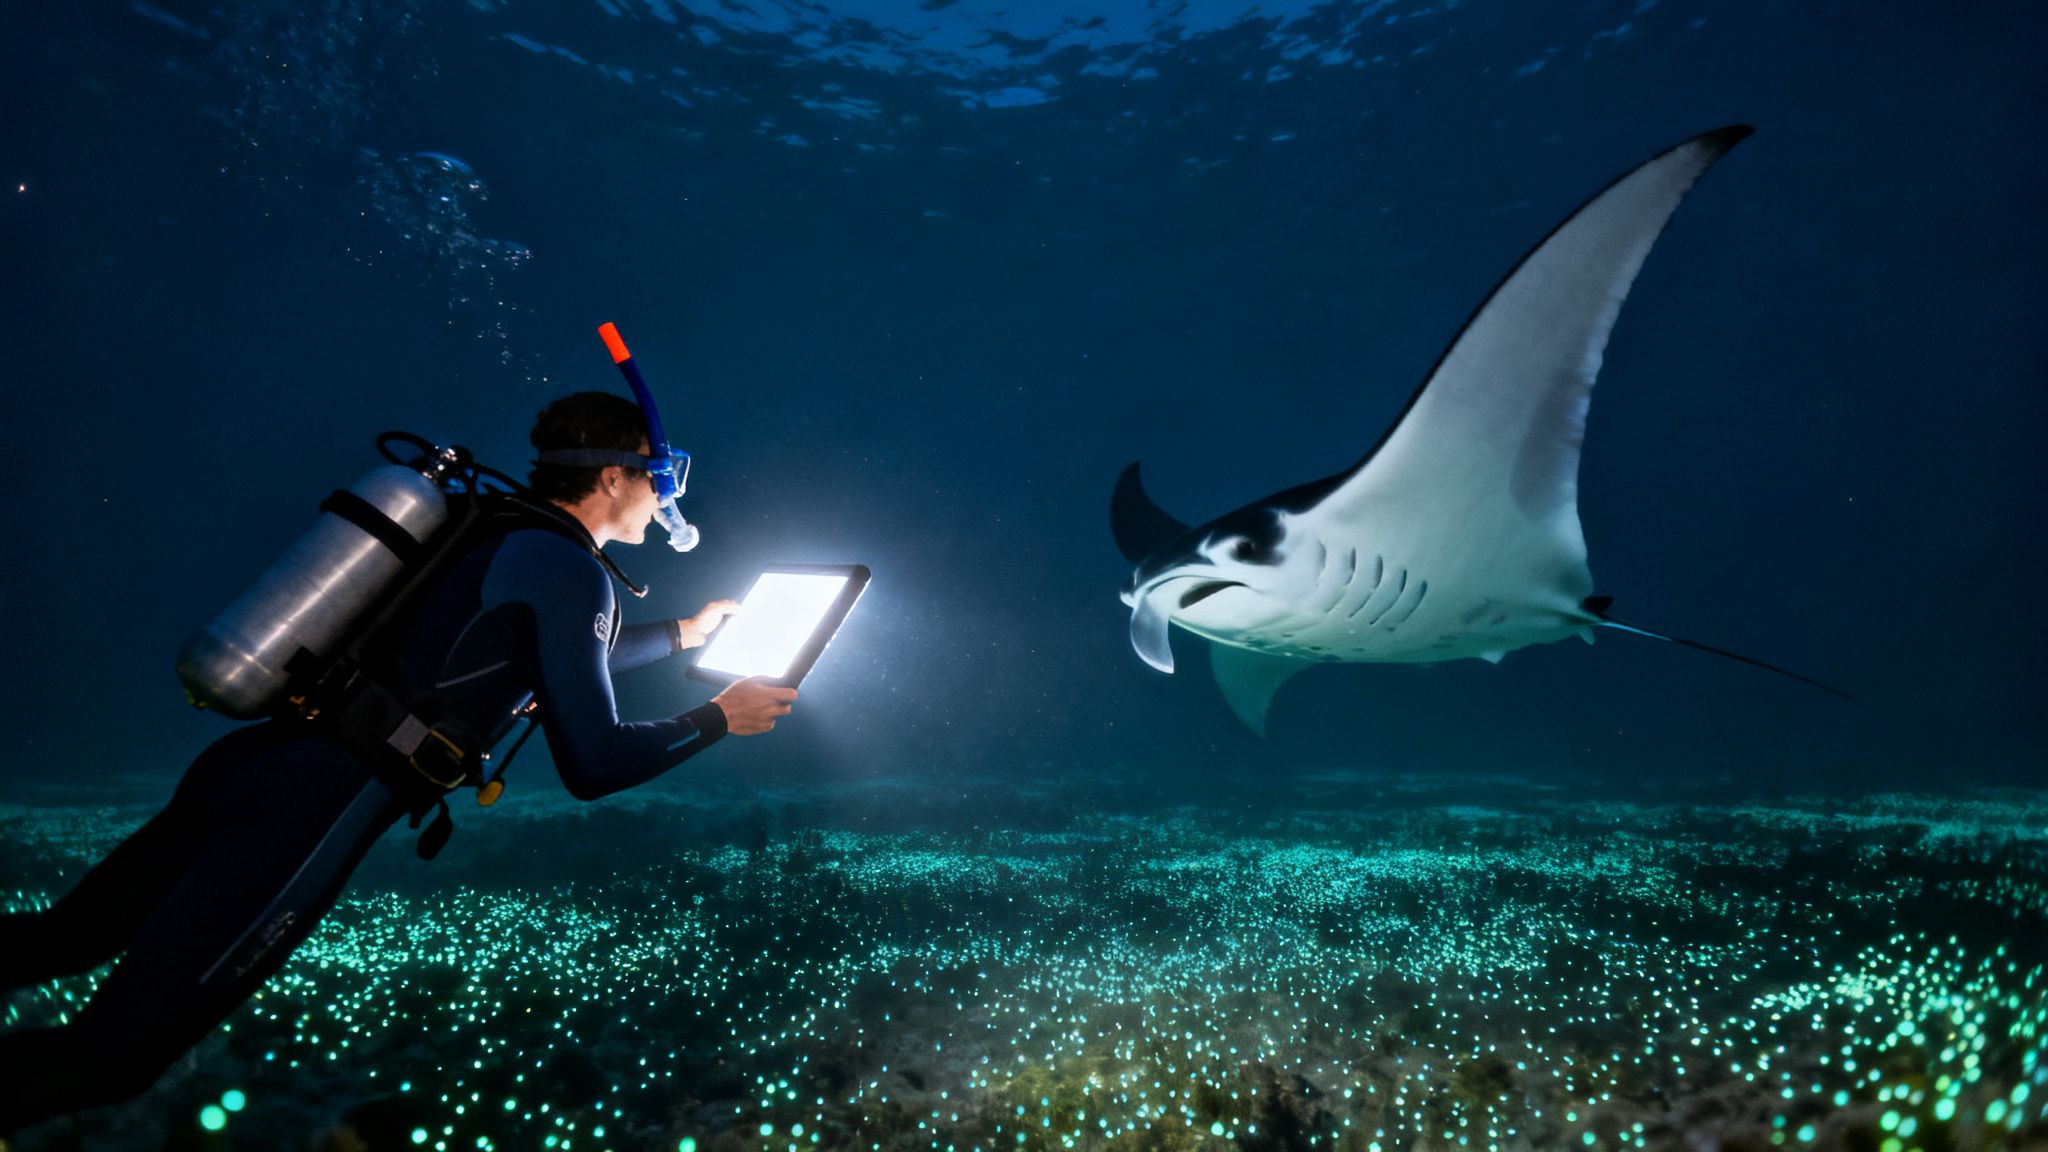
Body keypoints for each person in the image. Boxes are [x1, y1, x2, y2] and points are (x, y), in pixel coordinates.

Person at [0, 391, 797, 1133]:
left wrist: (686, 634)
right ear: (613, 475)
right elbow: (594, 762)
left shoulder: (491, 527)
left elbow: (531, 658)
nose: (665, 497)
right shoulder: (574, 572)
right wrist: (718, 717)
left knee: (60, 941)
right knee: (111, 1059)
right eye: (658, 477)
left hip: (252, 765)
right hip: (312, 810)